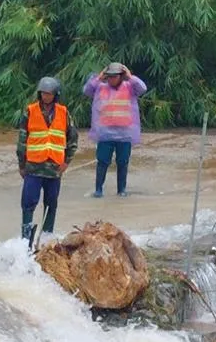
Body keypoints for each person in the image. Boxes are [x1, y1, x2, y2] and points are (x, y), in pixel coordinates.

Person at [17, 76, 78, 243]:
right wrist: (22, 164)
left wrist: (66, 162)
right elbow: (22, 140)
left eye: (49, 94)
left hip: (54, 168)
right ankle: (26, 240)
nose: (46, 97)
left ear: (55, 95)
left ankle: (46, 238)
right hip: (33, 167)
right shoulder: (30, 111)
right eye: (43, 93)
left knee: (51, 203)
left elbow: (73, 139)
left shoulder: (64, 112)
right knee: (28, 203)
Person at [83, 62, 148, 198]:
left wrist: (130, 76)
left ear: (121, 76)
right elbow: (87, 90)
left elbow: (142, 88)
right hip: (105, 133)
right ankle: (98, 190)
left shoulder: (130, 87)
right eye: (110, 76)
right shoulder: (100, 87)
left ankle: (121, 190)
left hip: (124, 134)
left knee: (123, 162)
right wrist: (99, 77)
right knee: (102, 162)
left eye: (115, 76)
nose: (112, 79)